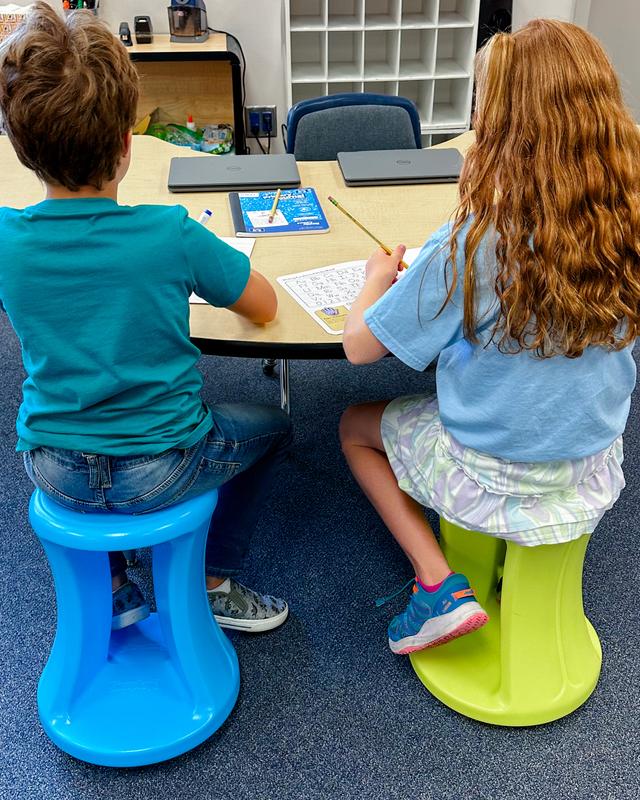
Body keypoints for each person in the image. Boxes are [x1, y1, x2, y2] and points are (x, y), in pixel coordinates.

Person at [339, 19, 640, 655]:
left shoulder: (478, 239)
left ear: (500, 129)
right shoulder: (627, 220)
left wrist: (375, 280)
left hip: (491, 471)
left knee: (352, 428)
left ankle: (437, 581)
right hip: (591, 463)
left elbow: (360, 347)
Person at [0, 2, 292, 633]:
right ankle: (214, 581)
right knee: (275, 429)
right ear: (128, 146)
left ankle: (113, 586)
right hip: (163, 467)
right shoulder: (169, 234)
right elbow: (264, 304)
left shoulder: (6, 238)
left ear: (22, 148)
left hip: (52, 469)